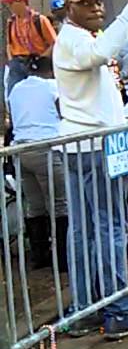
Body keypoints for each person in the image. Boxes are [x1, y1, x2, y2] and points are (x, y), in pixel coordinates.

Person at [54, 0, 128, 339]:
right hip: (93, 147)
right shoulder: (74, 40)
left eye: (99, 1)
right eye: (87, 2)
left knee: (85, 230)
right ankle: (116, 311)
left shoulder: (78, 38)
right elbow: (99, 57)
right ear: (71, 8)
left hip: (87, 144)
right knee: (108, 227)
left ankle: (86, 309)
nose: (96, 7)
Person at [10, 55, 68, 270]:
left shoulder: (16, 88)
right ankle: (62, 259)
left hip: (20, 150)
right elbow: (65, 113)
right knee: (60, 204)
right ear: (52, 70)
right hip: (45, 148)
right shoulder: (53, 86)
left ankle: (39, 255)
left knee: (35, 206)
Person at [4, 0, 57, 97]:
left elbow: (54, 42)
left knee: (38, 96)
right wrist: (11, 60)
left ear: (21, 3)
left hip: (36, 63)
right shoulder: (11, 22)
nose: (10, 6)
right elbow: (9, 44)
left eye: (11, 3)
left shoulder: (39, 20)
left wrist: (40, 59)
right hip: (17, 63)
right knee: (13, 95)